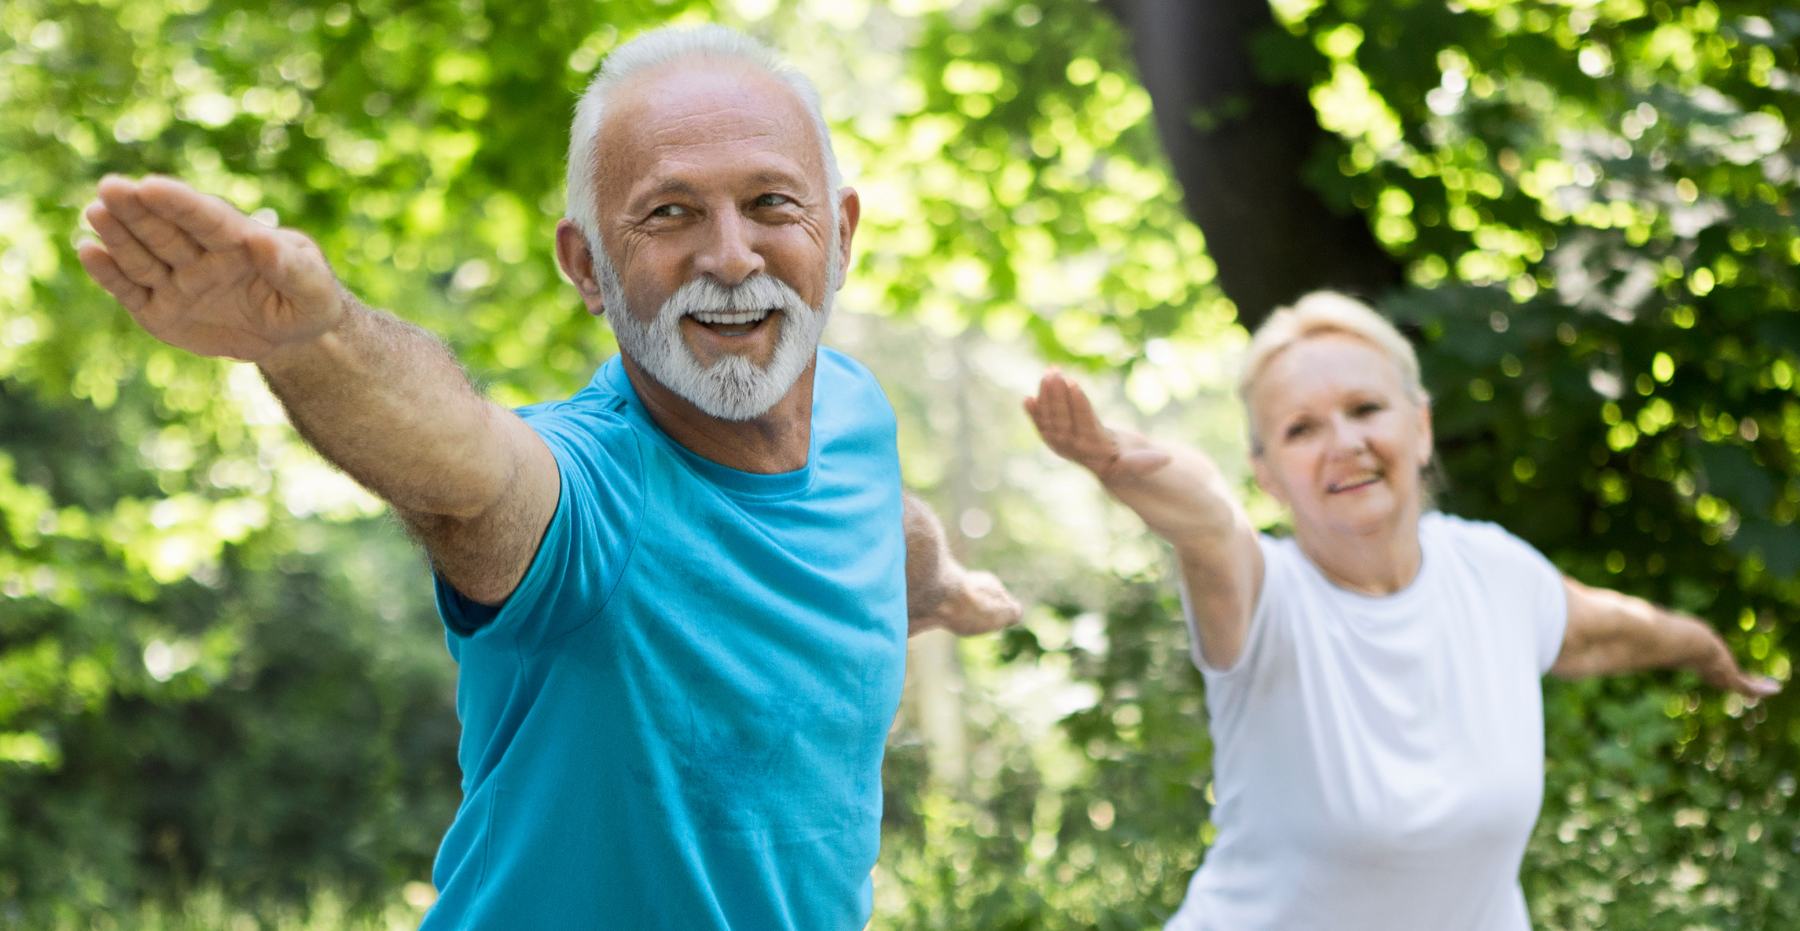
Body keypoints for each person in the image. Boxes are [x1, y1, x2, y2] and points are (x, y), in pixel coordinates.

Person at [77, 25, 1021, 931]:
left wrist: (946, 590)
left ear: (843, 234)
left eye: (772, 204)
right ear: (588, 266)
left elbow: (880, 526)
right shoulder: (589, 496)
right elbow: (467, 473)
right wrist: (314, 342)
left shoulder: (855, 411)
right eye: (669, 212)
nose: (731, 257)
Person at [1025, 291, 1779, 931]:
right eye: (1301, 428)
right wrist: (1117, 460)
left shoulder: (1491, 570)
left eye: (1364, 408)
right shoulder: (1265, 597)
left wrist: (1704, 646)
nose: (1344, 443)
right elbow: (1208, 517)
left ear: (1418, 427)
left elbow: (1602, 632)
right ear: (1266, 472)